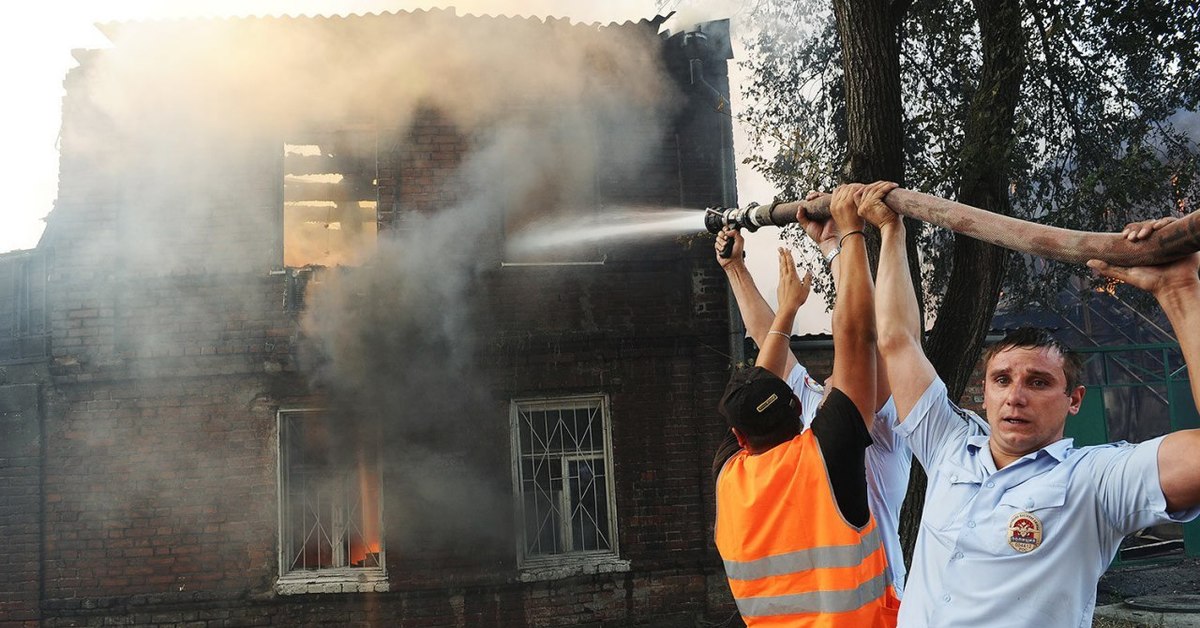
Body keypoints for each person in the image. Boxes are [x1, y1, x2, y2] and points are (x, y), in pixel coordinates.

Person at [859, 180, 1200, 627]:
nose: (1015, 396)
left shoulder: (1094, 482)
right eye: (1002, 380)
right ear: (986, 391)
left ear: (1074, 399)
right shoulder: (948, 448)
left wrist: (1180, 291)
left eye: (1038, 382)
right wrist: (891, 231)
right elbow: (897, 342)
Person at [713, 185, 900, 627]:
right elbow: (858, 335)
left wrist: (736, 270)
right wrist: (843, 241)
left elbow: (765, 361)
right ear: (799, 407)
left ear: (739, 438)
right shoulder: (828, 445)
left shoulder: (730, 477)